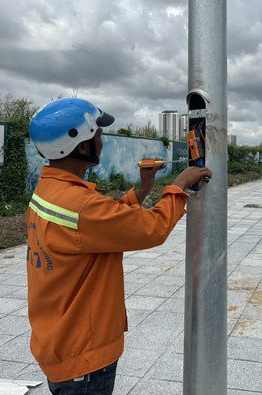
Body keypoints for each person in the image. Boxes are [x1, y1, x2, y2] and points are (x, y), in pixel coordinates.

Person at [26, 98, 212, 394]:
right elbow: (151, 229)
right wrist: (178, 188)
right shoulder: (81, 206)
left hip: (58, 339)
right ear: (81, 145)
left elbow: (97, 224)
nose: (102, 142)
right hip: (82, 357)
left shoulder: (51, 190)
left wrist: (141, 191)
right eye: (98, 135)